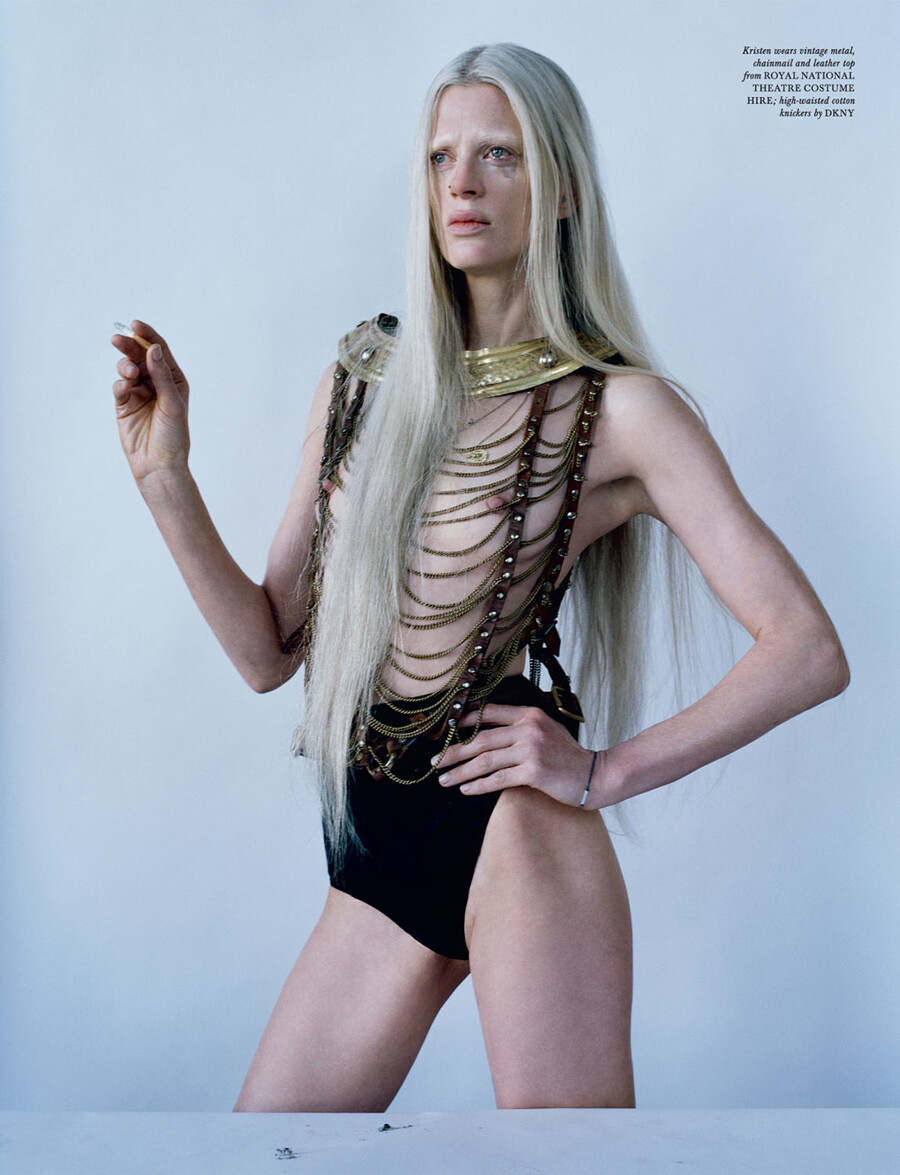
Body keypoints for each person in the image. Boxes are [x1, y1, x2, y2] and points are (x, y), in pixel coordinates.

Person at [111, 44, 848, 1112]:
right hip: (377, 832)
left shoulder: (620, 410)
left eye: (500, 155)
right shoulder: (363, 378)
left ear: (563, 190)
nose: (462, 183)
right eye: (441, 156)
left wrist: (602, 772)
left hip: (515, 827)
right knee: (266, 1153)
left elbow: (807, 648)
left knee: (568, 1166)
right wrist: (165, 479)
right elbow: (268, 652)